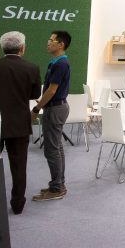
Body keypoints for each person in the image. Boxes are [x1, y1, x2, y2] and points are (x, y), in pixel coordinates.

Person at [0, 32, 41, 215]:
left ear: (3, 47)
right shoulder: (32, 68)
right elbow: (35, 94)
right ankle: (18, 204)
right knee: (19, 166)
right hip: (19, 124)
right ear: (22, 48)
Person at [31, 30, 72, 202]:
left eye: (51, 40)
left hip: (55, 109)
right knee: (57, 148)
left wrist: (36, 109)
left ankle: (57, 188)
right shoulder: (57, 62)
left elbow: (52, 90)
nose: (48, 43)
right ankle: (58, 184)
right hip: (56, 107)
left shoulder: (61, 63)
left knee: (52, 150)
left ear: (61, 44)